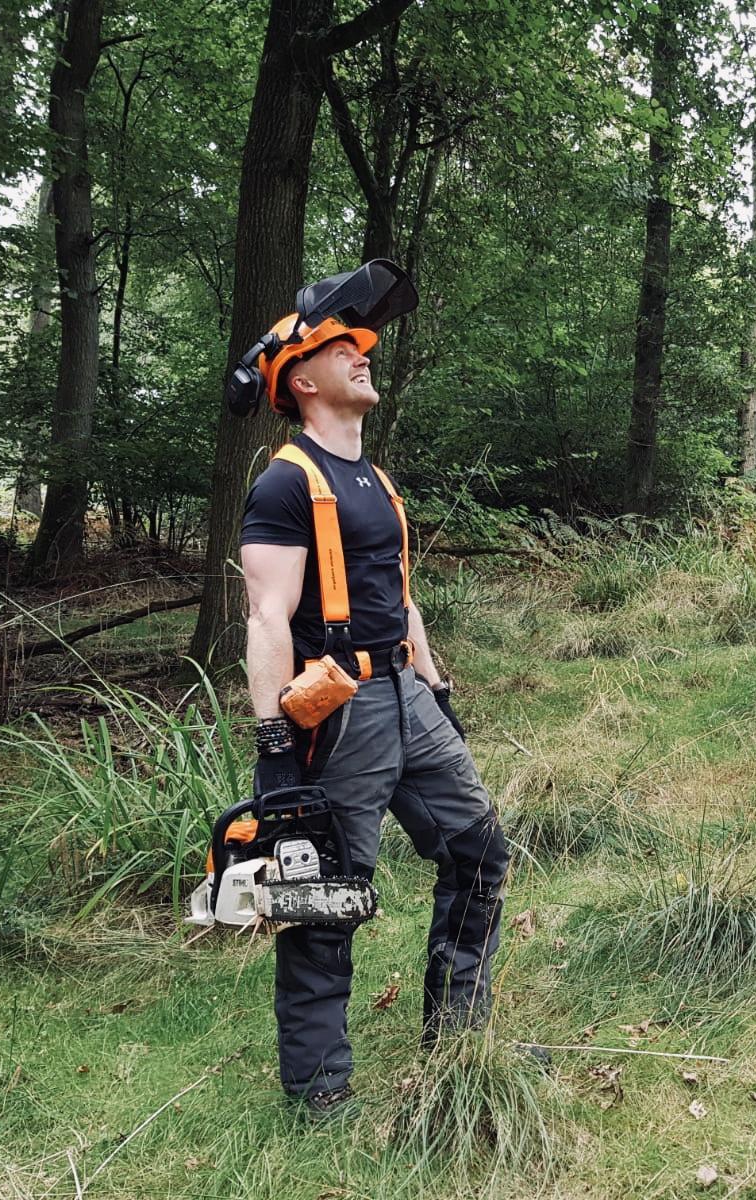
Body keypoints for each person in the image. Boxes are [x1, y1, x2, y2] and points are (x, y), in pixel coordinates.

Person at [238, 294, 509, 1119]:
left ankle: (459, 1035)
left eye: (363, 346)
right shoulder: (286, 484)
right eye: (341, 348)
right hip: (338, 711)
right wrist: (276, 742)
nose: (363, 355)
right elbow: (265, 617)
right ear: (301, 381)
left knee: (479, 853)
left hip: (404, 695)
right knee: (325, 895)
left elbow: (399, 596)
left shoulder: (375, 479)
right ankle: (319, 1090)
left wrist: (436, 685)